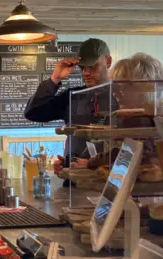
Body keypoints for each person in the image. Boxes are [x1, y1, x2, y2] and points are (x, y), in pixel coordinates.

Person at [23, 38, 114, 183]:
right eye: (82, 67)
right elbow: (33, 113)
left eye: (93, 66)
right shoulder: (73, 96)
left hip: (107, 183)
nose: (86, 73)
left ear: (108, 62)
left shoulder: (121, 97)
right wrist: (55, 78)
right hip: (73, 184)